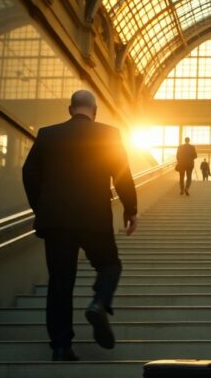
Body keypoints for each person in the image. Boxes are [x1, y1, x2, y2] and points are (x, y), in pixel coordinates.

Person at [22, 90, 138, 361]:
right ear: (95, 111)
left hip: (56, 221)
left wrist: (41, 207)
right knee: (110, 264)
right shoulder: (109, 134)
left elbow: (28, 172)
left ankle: (61, 346)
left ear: (69, 109)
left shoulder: (47, 134)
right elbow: (122, 174)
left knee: (60, 281)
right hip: (94, 217)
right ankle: (99, 302)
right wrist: (131, 209)